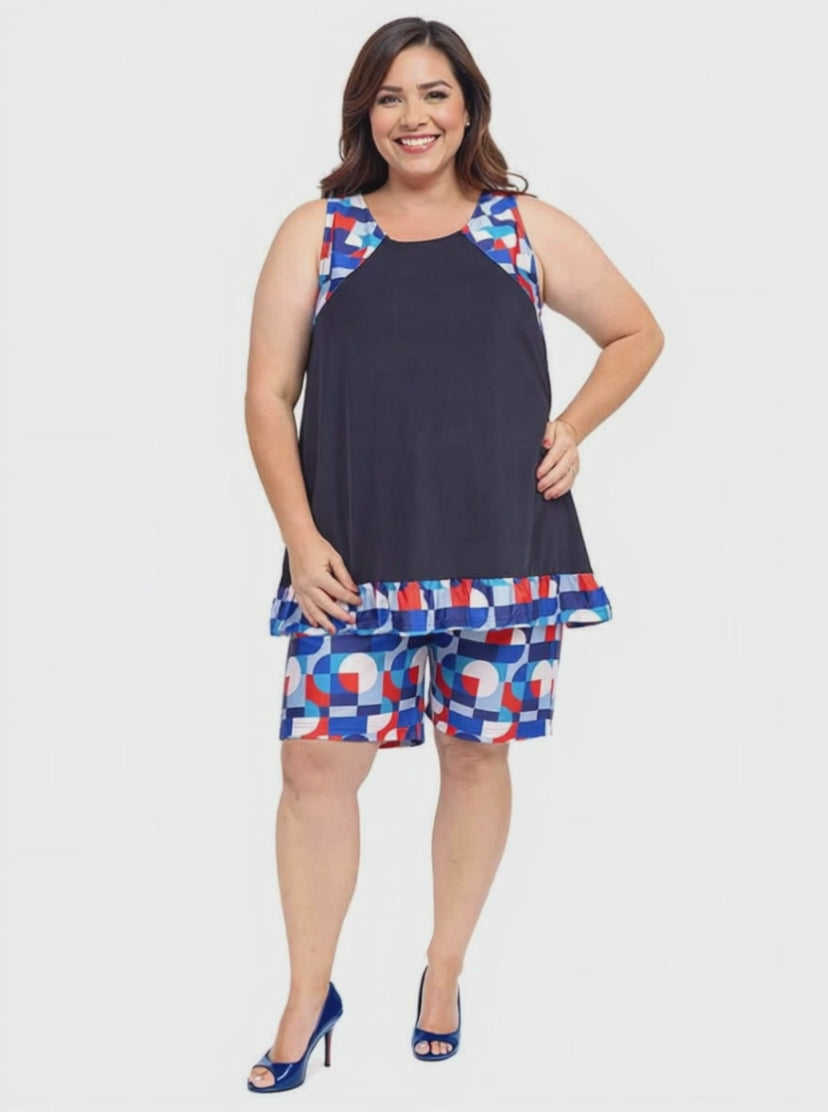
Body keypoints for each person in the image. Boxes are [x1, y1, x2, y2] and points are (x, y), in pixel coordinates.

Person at [244, 16, 664, 1093]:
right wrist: (298, 536)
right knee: (314, 765)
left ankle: (443, 968)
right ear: (365, 114)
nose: (414, 116)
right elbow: (267, 395)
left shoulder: (522, 227)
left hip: (502, 551)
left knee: (477, 756)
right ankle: (308, 993)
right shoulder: (319, 232)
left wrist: (573, 426)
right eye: (391, 96)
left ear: (468, 106)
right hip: (351, 558)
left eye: (434, 93)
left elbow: (636, 332)